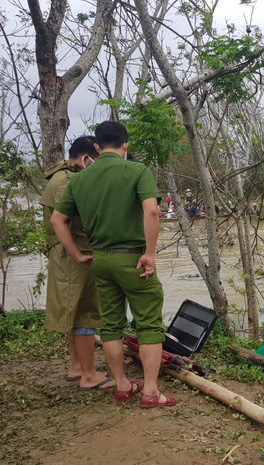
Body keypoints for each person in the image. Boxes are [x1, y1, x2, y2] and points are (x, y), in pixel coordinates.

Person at [51, 121, 177, 408]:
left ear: (96, 147)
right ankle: (151, 392)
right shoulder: (136, 170)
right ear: (126, 145)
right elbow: (152, 212)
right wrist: (151, 254)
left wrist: (77, 255)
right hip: (133, 259)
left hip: (101, 260)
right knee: (149, 326)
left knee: (110, 326)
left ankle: (122, 385)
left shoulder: (80, 178)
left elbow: (57, 220)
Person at [41, 136, 113, 390]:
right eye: (96, 162)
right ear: (86, 158)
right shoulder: (68, 181)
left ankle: (77, 367)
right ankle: (89, 375)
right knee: (85, 314)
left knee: (75, 313)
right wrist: (78, 255)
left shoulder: (61, 177)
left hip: (69, 254)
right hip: (75, 254)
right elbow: (75, 217)